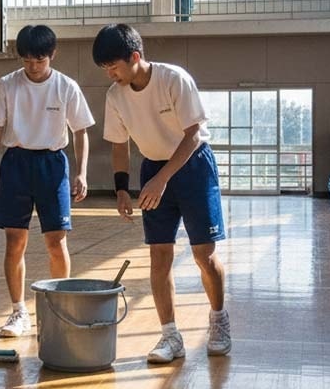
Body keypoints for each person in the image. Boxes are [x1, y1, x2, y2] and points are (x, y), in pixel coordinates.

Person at [92, 23, 231, 363]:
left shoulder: (174, 79)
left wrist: (163, 179)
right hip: (154, 167)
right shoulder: (115, 96)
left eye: (114, 66)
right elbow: (119, 146)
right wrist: (121, 190)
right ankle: (170, 336)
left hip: (194, 166)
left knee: (204, 255)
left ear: (134, 57)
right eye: (105, 68)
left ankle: (219, 320)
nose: (110, 74)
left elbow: (193, 134)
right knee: (159, 256)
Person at [0, 24, 94, 338]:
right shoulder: (7, 85)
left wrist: (81, 172)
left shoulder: (66, 86)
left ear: (52, 56)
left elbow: (80, 131)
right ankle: (18, 312)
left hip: (52, 164)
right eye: (27, 60)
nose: (32, 66)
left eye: (39, 60)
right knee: (15, 242)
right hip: (15, 163)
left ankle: (60, 306)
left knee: (56, 243)